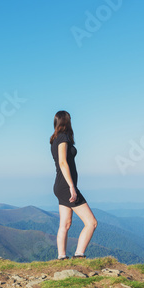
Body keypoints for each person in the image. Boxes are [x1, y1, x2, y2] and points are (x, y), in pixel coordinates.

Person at [50, 110, 97, 259]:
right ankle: (79, 255)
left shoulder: (55, 139)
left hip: (60, 185)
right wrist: (72, 186)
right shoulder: (63, 138)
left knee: (65, 223)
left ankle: (61, 257)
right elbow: (63, 162)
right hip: (65, 186)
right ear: (66, 121)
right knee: (91, 222)